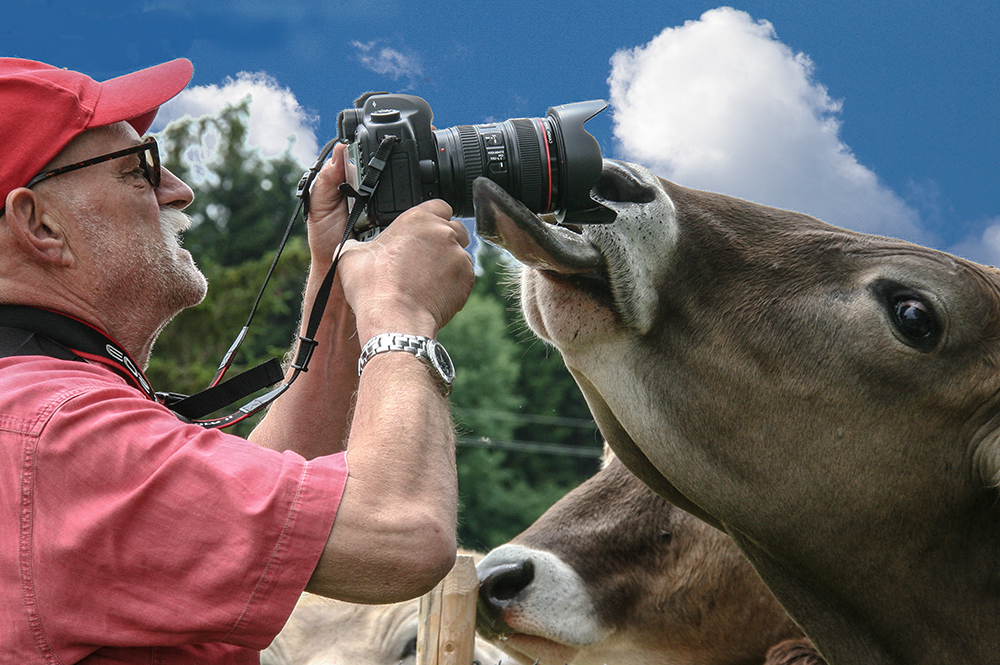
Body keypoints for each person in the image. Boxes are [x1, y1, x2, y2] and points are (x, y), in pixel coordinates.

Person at [0, 57, 474, 663]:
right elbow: (398, 533)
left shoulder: (32, 412)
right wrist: (401, 310)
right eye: (137, 170)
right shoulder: (58, 433)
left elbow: (273, 516)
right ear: (39, 224)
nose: (178, 188)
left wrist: (338, 291)